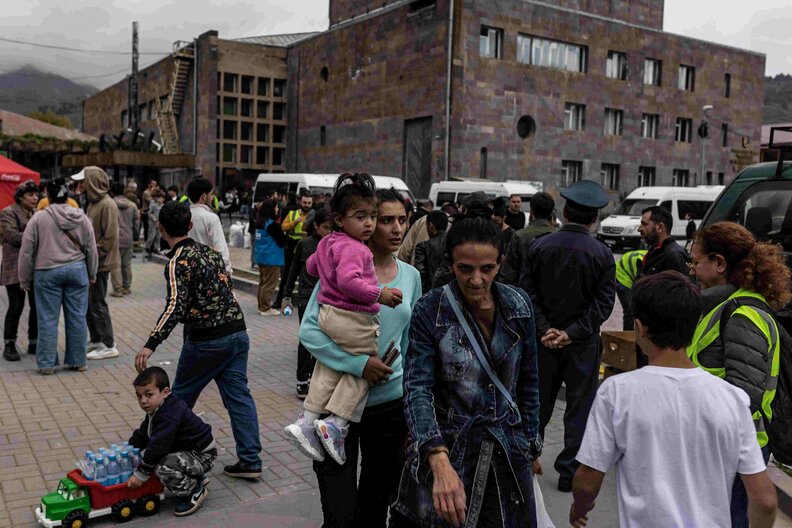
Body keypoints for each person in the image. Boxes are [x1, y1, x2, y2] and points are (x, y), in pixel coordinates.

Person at [571, 271, 778, 528]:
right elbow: (765, 501)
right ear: (694, 326)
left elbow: (587, 479)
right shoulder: (733, 399)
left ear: (640, 327)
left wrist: (579, 508)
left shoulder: (616, 392)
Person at [391, 215, 542, 528]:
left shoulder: (518, 306)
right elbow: (417, 388)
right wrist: (436, 456)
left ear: (500, 264)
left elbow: (528, 384)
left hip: (507, 454)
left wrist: (529, 444)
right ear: (451, 264)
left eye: (487, 268)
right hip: (450, 449)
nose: (476, 280)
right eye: (465, 269)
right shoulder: (431, 310)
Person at [298, 188, 421, 527]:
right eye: (385, 220)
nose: (396, 229)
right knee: (339, 514)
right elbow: (309, 332)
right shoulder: (342, 273)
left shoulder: (411, 276)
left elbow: (411, 345)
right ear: (361, 222)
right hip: (336, 408)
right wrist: (359, 364)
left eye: (402, 220)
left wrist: (415, 405)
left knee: (375, 506)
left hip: (389, 408)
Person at [134, 200, 263, 479]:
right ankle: (250, 460)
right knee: (239, 398)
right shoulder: (211, 254)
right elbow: (225, 287)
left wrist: (151, 342)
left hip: (206, 342)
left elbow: (175, 306)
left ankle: (151, 456)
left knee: (173, 401)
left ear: (160, 227)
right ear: (190, 226)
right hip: (237, 333)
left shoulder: (177, 261)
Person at [284, 173, 404, 465]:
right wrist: (379, 294)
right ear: (339, 219)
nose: (369, 224)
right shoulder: (355, 248)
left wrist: (327, 272)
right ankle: (337, 422)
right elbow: (350, 282)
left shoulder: (328, 242)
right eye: (361, 217)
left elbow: (312, 268)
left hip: (330, 315)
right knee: (365, 364)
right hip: (352, 317)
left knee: (327, 367)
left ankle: (308, 419)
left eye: (372, 217)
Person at [687, 221, 790, 527]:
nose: (692, 269)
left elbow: (745, 396)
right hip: (721, 444)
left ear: (719, 263)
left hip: (736, 448)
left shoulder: (744, 314)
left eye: (696, 262)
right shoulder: (726, 306)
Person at [519, 179, 615, 493]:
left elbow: (526, 292)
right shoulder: (601, 253)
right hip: (583, 345)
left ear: (564, 211)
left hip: (543, 342)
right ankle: (567, 472)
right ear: (594, 219)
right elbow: (603, 303)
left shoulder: (540, 246)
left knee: (538, 403)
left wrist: (546, 329)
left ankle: (527, 460)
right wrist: (572, 333)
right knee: (578, 407)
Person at [18, 178, 98, 375]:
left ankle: (46, 364)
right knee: (78, 317)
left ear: (49, 196)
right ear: (67, 196)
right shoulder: (81, 216)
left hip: (46, 271)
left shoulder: (38, 218)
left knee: (47, 318)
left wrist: (24, 278)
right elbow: (91, 248)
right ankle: (78, 361)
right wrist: (92, 272)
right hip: (77, 269)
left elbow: (27, 251)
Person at [127, 367, 216, 517]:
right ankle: (195, 477)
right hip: (191, 452)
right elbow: (143, 434)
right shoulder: (158, 408)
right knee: (157, 459)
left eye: (149, 395)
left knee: (162, 467)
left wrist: (141, 473)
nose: (143, 401)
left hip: (203, 455)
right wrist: (127, 449)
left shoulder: (169, 413)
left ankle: (193, 491)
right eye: (139, 396)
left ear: (165, 392)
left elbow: (158, 445)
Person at [281, 208, 333, 399]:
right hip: (306, 297)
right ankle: (302, 380)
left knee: (324, 339)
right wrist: (286, 296)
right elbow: (292, 271)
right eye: (325, 227)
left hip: (328, 298)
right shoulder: (304, 245)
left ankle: (316, 378)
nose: (329, 231)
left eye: (332, 228)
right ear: (316, 226)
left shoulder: (336, 245)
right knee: (306, 340)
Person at [84, 166, 120, 360]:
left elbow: (109, 239)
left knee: (98, 303)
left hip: (101, 263)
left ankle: (108, 343)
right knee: (90, 303)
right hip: (92, 261)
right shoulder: (92, 203)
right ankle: (96, 338)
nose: (81, 185)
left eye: (85, 180)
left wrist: (92, 253)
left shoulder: (107, 205)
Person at [0, 180, 39, 361]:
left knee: (36, 306)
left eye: (36, 194)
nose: (35, 198)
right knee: (16, 306)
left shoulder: (36, 213)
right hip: (14, 267)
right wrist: (36, 235)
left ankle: (34, 341)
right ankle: (9, 344)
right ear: (20, 197)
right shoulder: (8, 213)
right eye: (31, 195)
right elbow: (13, 236)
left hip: (33, 267)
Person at [499, 191, 557, 286]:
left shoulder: (519, 236)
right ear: (551, 212)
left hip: (524, 292)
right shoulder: (559, 236)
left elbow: (509, 273)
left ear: (531, 211)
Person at [186, 178, 232, 273]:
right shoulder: (211, 218)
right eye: (211, 194)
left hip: (188, 268)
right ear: (203, 197)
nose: (212, 198)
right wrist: (227, 271)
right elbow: (220, 248)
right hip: (206, 270)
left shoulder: (184, 215)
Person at [277, 191, 313, 307]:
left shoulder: (314, 215)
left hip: (306, 248)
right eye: (305, 202)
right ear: (299, 202)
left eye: (309, 203)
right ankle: (280, 300)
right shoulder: (293, 214)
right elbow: (283, 226)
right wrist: (294, 222)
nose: (307, 205)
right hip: (292, 246)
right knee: (287, 275)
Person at [254, 199, 288, 316]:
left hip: (261, 256)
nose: (278, 209)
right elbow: (282, 241)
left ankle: (261, 306)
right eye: (276, 207)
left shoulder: (260, 223)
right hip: (271, 258)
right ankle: (265, 308)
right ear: (272, 209)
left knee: (263, 283)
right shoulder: (272, 225)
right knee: (269, 284)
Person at [637, 205, 689, 277]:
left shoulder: (673, 255)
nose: (639, 229)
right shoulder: (654, 252)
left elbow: (683, 286)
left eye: (644, 224)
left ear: (660, 227)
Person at [110, 182, 139, 297]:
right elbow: (136, 224)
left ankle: (117, 289)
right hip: (128, 237)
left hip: (114, 238)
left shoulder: (110, 204)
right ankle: (127, 287)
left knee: (115, 265)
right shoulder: (132, 205)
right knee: (126, 264)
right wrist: (135, 235)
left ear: (112, 191)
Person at [413, 210, 448, 294]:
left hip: (431, 293)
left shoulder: (423, 247)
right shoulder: (454, 244)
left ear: (431, 225)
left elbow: (421, 274)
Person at [614, 249, 647, 331]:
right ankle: (628, 337)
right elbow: (639, 285)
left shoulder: (658, 261)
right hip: (622, 275)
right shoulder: (643, 263)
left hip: (632, 270)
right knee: (630, 311)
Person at [145, 188, 165, 259]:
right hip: (153, 222)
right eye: (159, 197)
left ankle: (157, 248)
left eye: (161, 198)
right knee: (151, 236)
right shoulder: (153, 204)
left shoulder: (163, 205)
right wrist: (155, 220)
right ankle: (148, 249)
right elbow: (149, 213)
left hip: (160, 223)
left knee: (158, 236)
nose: (160, 199)